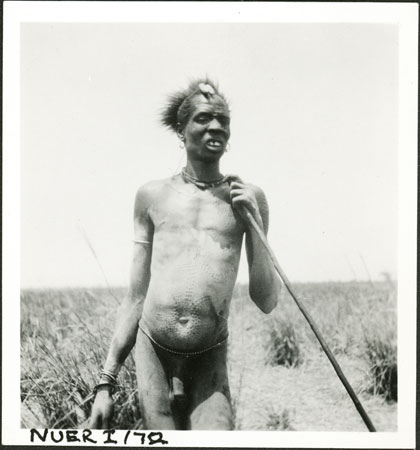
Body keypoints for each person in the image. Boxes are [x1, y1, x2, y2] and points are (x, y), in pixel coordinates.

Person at [89, 78, 282, 430]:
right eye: (204, 118)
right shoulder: (152, 196)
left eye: (223, 120)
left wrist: (255, 221)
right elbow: (134, 297)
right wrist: (106, 382)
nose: (216, 127)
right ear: (181, 130)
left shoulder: (248, 198)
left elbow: (266, 300)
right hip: (154, 351)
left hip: (209, 352)